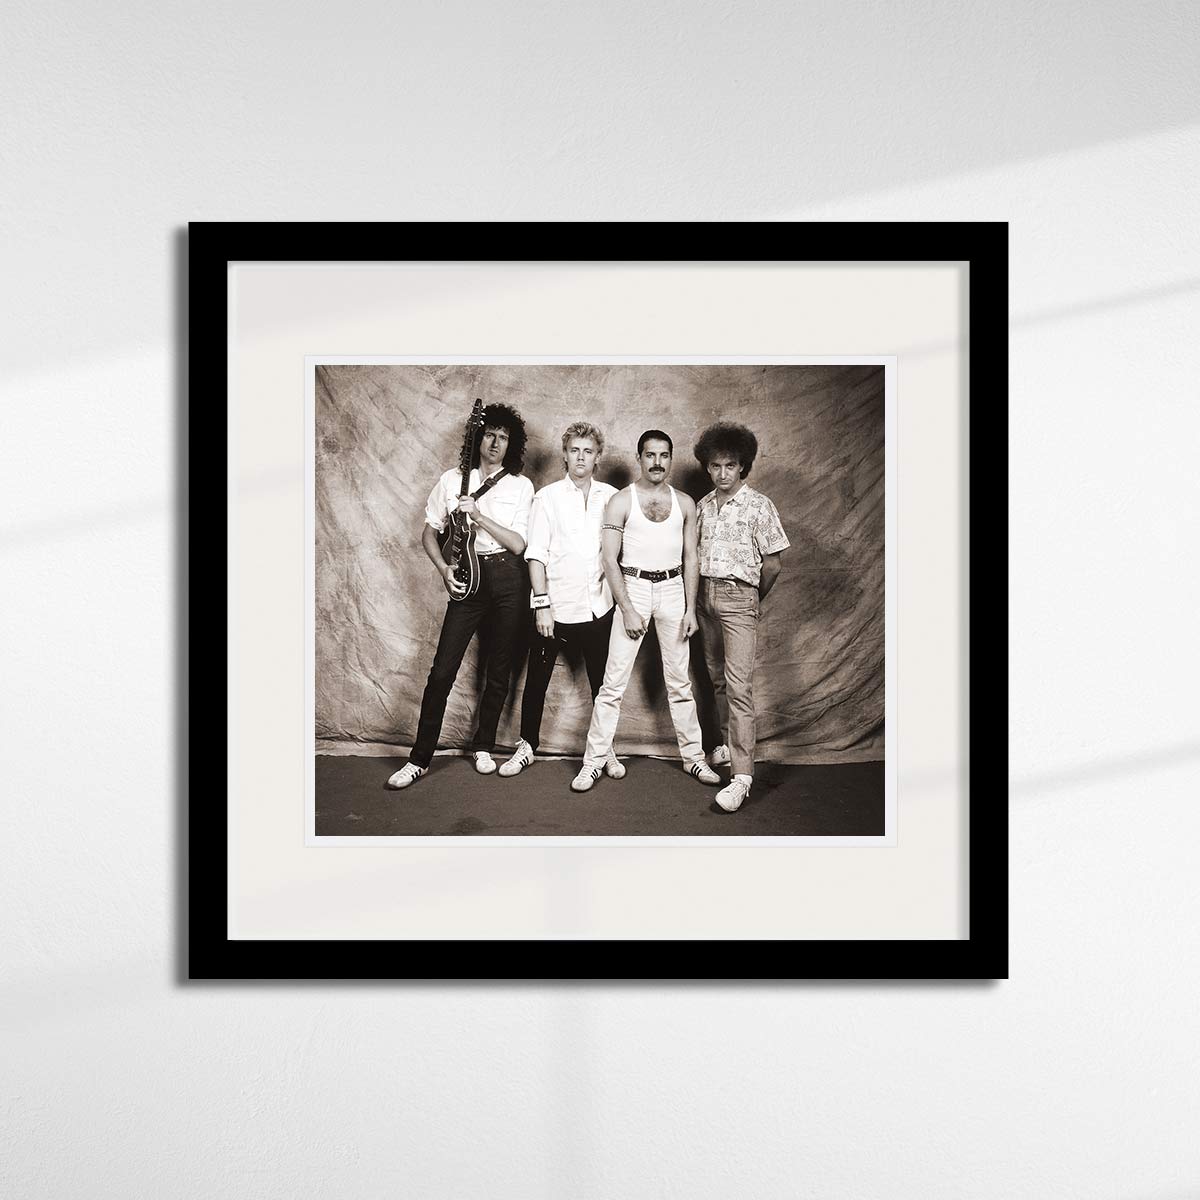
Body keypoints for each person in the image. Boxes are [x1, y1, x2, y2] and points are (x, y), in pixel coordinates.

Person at [386, 404, 535, 790]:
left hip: (507, 578)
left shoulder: (520, 486)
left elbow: (519, 544)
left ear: (511, 445)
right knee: (441, 673)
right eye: (489, 435)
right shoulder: (452, 481)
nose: (495, 443)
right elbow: (429, 531)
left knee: (498, 670)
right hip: (466, 579)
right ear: (477, 438)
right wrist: (443, 569)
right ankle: (419, 759)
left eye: (504, 438)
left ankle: (483, 746)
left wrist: (479, 515)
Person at [571, 430, 721, 792]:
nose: (657, 462)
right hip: (633, 587)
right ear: (639, 458)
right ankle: (592, 762)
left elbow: (691, 558)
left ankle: (694, 759)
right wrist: (627, 608)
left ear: (671, 459)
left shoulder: (685, 503)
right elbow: (609, 559)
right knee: (612, 686)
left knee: (680, 684)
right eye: (650, 455)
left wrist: (689, 611)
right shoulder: (621, 502)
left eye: (664, 455)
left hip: (673, 590)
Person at [499, 422, 625, 780]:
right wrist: (542, 605)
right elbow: (535, 555)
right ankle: (526, 745)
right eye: (574, 450)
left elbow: (618, 554)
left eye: (588, 450)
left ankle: (605, 750)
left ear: (597, 457)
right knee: (537, 679)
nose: (581, 457)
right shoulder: (547, 497)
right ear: (565, 455)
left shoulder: (612, 497)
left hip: (599, 606)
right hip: (554, 608)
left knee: (604, 685)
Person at [692, 421, 790, 812]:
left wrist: (750, 598)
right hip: (705, 597)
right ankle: (722, 749)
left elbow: (773, 564)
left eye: (730, 466)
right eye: (715, 466)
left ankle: (743, 777)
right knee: (714, 678)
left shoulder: (758, 505)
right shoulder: (702, 506)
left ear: (743, 466)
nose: (722, 473)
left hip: (738, 598)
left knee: (739, 687)